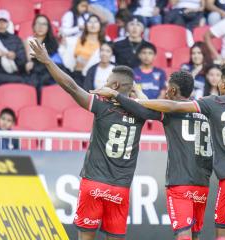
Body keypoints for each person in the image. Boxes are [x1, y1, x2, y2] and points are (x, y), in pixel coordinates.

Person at [105, 61, 225, 240]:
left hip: (206, 180)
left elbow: (163, 106)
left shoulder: (212, 104)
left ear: (223, 83)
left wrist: (123, 96)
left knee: (216, 234)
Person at [30, 39, 149, 240]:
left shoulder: (102, 105)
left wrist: (48, 62)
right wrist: (135, 90)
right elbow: (148, 105)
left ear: (115, 85)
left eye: (108, 81)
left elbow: (71, 87)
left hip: (94, 183)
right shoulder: (141, 112)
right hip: (120, 188)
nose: (103, 84)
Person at [91, 71, 213, 240]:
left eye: (167, 88)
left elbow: (143, 109)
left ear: (172, 91)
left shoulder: (170, 111)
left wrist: (116, 95)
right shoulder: (205, 112)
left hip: (181, 181)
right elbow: (150, 104)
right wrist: (138, 90)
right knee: (195, 234)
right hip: (202, 184)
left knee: (184, 234)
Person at [59, 14, 105, 87]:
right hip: (75, 75)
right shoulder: (77, 40)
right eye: (90, 22)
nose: (93, 24)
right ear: (86, 25)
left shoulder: (104, 43)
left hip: (93, 78)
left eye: (96, 22)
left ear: (100, 25)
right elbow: (64, 52)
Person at [25, 15, 62, 91]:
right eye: (38, 23)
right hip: (36, 71)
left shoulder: (54, 42)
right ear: (34, 26)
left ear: (48, 27)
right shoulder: (29, 40)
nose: (40, 27)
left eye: (44, 24)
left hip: (50, 71)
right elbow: (29, 60)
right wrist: (29, 63)